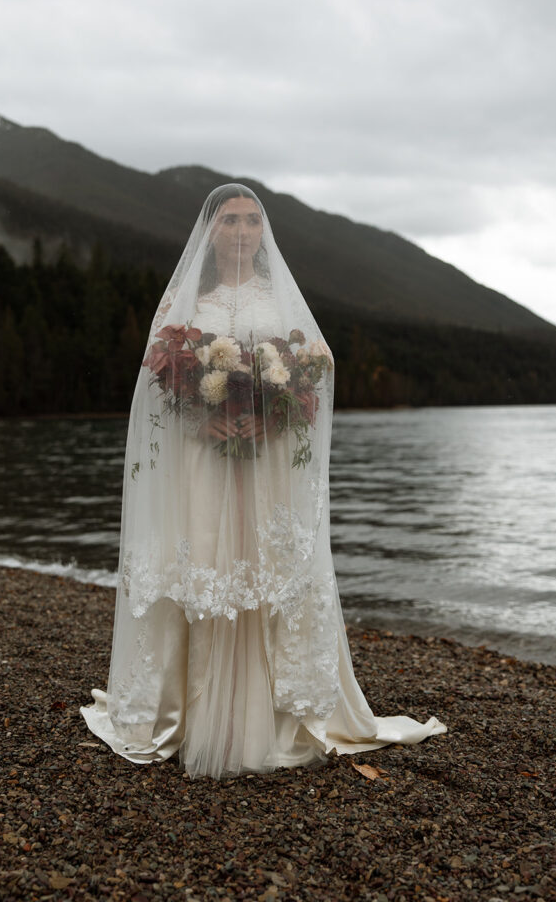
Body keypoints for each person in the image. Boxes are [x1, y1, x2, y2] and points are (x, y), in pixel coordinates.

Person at [80, 183, 447, 779]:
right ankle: (193, 716)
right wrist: (205, 421)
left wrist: (269, 416)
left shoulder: (281, 305)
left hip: (266, 463)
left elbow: (315, 372)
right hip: (205, 460)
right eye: (231, 221)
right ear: (211, 232)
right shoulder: (186, 304)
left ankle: (276, 718)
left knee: (265, 567)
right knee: (207, 565)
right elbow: (157, 387)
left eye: (253, 221)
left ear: (263, 232)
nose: (243, 232)